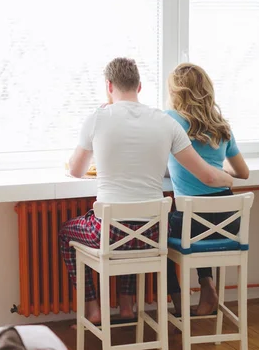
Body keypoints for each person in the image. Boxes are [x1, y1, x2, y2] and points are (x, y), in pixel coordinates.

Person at [60, 57, 234, 325]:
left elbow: (76, 171)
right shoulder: (165, 123)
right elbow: (208, 175)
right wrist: (230, 179)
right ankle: (127, 306)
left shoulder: (98, 118)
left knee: (68, 232)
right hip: (154, 234)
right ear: (139, 86)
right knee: (135, 225)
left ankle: (93, 307)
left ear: (109, 86)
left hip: (110, 233)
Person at [165, 63, 250, 316]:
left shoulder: (171, 119)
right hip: (229, 218)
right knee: (199, 224)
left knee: (159, 239)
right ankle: (207, 285)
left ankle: (181, 308)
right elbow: (243, 172)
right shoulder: (221, 125)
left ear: (177, 92)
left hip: (193, 219)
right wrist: (223, 174)